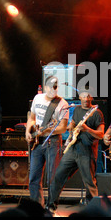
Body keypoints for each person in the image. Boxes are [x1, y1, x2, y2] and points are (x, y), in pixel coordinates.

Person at [46, 90, 105, 212]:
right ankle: (51, 206)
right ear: (80, 97)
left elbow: (101, 134)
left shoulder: (96, 113)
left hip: (87, 151)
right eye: (83, 96)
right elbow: (73, 122)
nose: (86, 99)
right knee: (58, 176)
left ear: (91, 98)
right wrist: (71, 126)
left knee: (89, 182)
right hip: (73, 149)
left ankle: (93, 211)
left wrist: (87, 129)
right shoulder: (77, 110)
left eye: (88, 96)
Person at [25, 76, 69, 207]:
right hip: (37, 141)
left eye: (55, 87)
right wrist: (28, 131)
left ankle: (51, 206)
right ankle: (36, 207)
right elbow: (32, 118)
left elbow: (62, 128)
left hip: (53, 142)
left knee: (52, 178)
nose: (53, 89)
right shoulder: (37, 98)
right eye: (50, 87)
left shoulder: (62, 104)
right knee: (34, 177)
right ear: (45, 87)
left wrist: (48, 131)